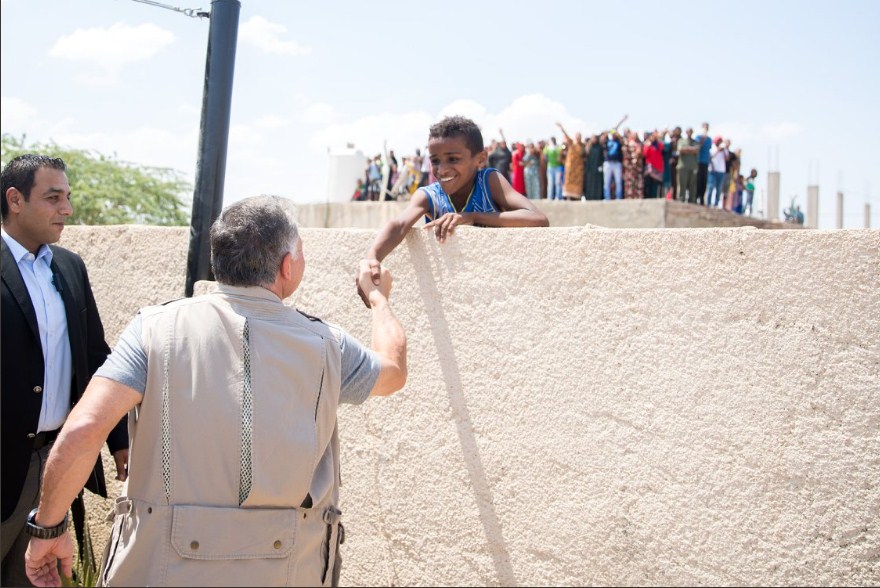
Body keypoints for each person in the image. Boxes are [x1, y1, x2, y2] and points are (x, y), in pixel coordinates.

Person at [23, 195, 408, 587]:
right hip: (287, 571)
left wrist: (48, 529)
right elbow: (393, 373)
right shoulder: (328, 345)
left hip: (158, 569)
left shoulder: (154, 329)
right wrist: (378, 300)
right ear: (287, 265)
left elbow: (85, 428)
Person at [1, 154, 128, 587]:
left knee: (36, 578)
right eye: (54, 198)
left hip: (53, 466)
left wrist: (118, 439)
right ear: (15, 199)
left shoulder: (70, 267)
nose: (67, 209)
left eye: (68, 197)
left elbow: (96, 356)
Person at [357, 115, 548, 304]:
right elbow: (399, 225)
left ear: (480, 159)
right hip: (452, 298)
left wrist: (471, 217)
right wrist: (372, 258)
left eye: (453, 159)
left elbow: (538, 219)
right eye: (435, 161)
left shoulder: (489, 181)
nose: (442, 169)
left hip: (499, 293)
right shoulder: (430, 195)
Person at [557, 122, 585, 201]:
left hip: (578, 168)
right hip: (570, 167)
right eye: (577, 136)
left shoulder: (582, 146)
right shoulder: (572, 143)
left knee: (578, 182)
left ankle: (576, 196)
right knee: (568, 181)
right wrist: (561, 128)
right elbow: (566, 135)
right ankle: (568, 196)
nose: (578, 138)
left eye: (579, 136)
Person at [676, 128, 699, 203]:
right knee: (682, 184)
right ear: (686, 132)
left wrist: (686, 149)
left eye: (691, 131)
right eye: (688, 131)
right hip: (683, 166)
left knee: (692, 185)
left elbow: (696, 150)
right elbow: (680, 150)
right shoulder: (681, 141)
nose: (689, 133)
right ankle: (681, 199)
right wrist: (691, 150)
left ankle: (692, 201)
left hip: (693, 166)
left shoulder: (695, 142)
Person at [602, 130, 624, 200]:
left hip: (617, 163)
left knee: (618, 181)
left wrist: (616, 133)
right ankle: (607, 197)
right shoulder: (607, 141)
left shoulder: (618, 142)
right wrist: (608, 131)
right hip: (608, 163)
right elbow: (602, 139)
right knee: (606, 182)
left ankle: (618, 197)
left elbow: (622, 141)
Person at [695, 122, 712, 205]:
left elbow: (709, 151)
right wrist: (702, 139)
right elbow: (697, 147)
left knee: (704, 181)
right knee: (698, 180)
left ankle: (702, 197)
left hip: (706, 162)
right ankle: (696, 197)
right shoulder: (698, 137)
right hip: (698, 162)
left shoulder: (709, 139)